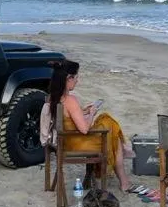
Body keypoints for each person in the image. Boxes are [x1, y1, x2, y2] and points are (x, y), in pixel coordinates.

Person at [42, 58, 134, 193]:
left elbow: (68, 117)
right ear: (68, 78)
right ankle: (124, 182)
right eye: (76, 78)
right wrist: (91, 113)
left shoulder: (53, 98)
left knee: (107, 123)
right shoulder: (70, 100)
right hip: (76, 143)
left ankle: (115, 178)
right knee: (110, 125)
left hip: (64, 141)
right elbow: (84, 129)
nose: (77, 81)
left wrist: (82, 111)